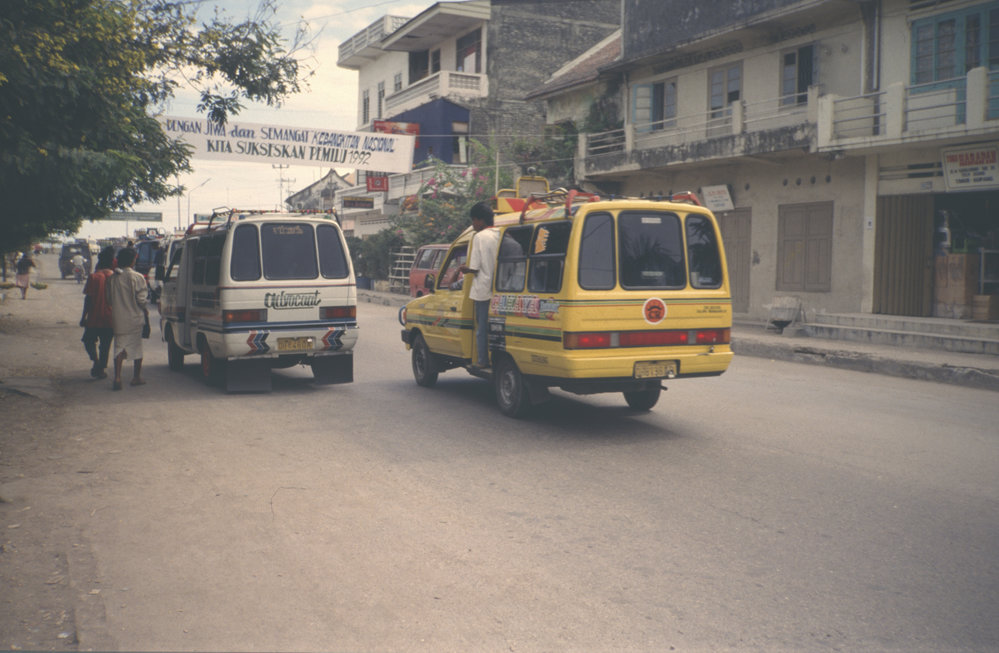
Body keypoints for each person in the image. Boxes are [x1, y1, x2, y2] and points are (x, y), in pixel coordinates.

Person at [459, 201, 500, 369]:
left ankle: (482, 360)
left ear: (480, 220)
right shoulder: (500, 234)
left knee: (482, 328)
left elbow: (474, 268)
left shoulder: (479, 237)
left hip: (483, 290)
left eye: (474, 220)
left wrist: (463, 268)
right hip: (499, 290)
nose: (473, 225)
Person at [106, 247, 149, 390]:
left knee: (119, 348)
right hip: (134, 319)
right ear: (133, 260)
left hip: (118, 319)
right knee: (136, 348)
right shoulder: (137, 277)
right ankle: (136, 377)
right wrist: (146, 310)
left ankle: (117, 377)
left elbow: (109, 300)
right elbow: (142, 300)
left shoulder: (112, 278)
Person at [80, 246, 115, 379]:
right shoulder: (115, 277)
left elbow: (88, 299)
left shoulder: (94, 277)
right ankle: (100, 367)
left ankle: (96, 361)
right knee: (105, 345)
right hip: (111, 318)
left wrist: (83, 317)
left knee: (88, 340)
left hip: (94, 317)